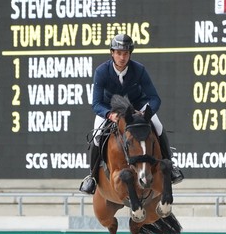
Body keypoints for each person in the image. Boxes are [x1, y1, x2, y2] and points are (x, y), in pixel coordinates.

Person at [79, 33, 184, 194]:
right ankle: (92, 177)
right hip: (110, 109)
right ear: (112, 53)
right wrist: (109, 115)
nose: (122, 57)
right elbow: (96, 103)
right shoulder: (102, 71)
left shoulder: (139, 70)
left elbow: (154, 98)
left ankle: (171, 166)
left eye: (126, 53)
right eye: (119, 53)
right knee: (98, 137)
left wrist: (146, 114)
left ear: (130, 54)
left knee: (158, 126)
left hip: (137, 107)